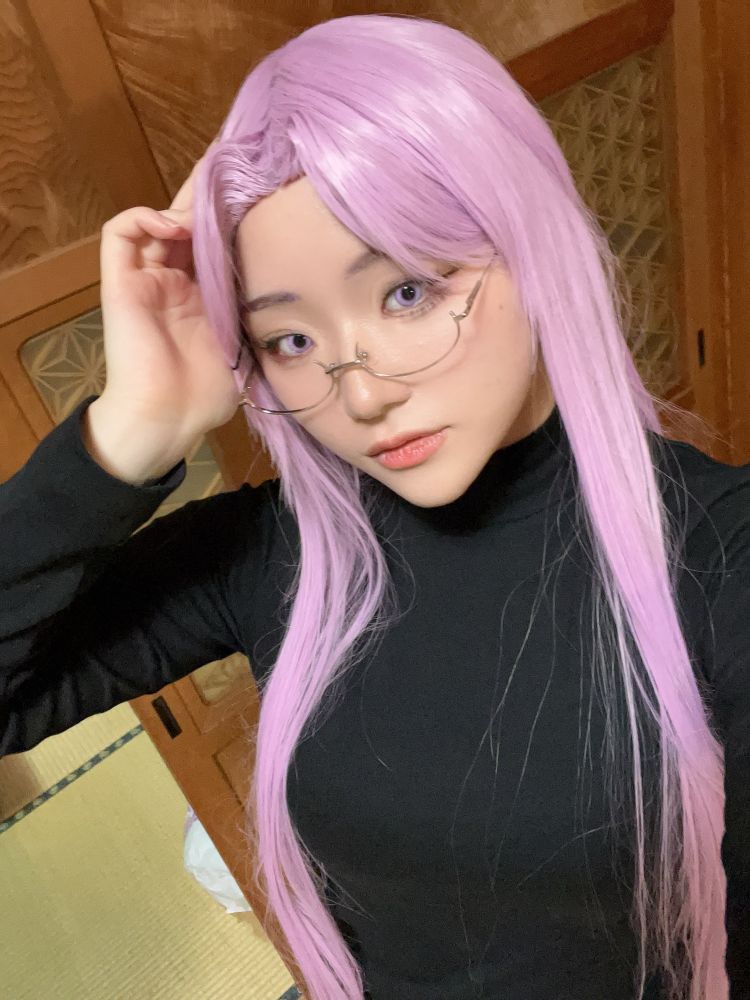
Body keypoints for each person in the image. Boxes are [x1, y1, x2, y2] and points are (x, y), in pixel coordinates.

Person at [1, 13, 748, 1000]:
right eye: (290, 341)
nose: (359, 394)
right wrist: (130, 432)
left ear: (533, 243)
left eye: (405, 294)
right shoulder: (275, 554)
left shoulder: (721, 554)